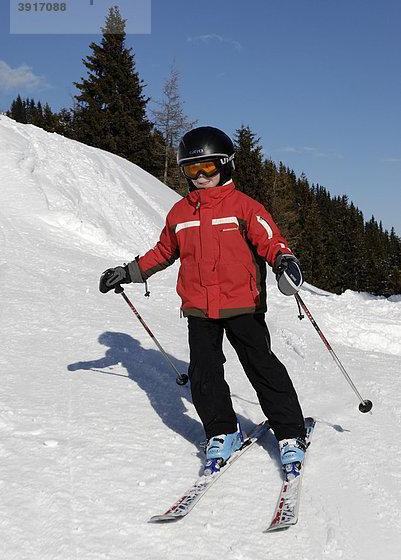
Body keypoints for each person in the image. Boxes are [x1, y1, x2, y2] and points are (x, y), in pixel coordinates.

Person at [100, 126, 306, 474]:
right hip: (198, 306)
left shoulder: (245, 207)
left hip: (243, 303)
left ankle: (290, 433)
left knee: (262, 367)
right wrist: (129, 272)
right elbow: (164, 251)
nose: (200, 177)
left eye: (207, 168)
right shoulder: (180, 213)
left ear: (225, 166)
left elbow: (271, 241)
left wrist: (284, 261)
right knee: (204, 373)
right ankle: (222, 431)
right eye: (191, 170)